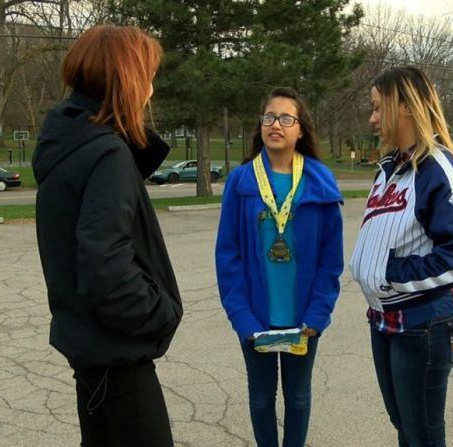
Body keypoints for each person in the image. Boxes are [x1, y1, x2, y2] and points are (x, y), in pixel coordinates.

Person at [32, 25, 182, 447]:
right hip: (119, 361)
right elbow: (105, 266)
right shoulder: (105, 154)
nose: (152, 88)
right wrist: (160, 313)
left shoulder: (72, 146)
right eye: (148, 75)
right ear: (128, 79)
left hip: (91, 352)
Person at [349, 66, 453, 446]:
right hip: (384, 320)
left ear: (405, 106)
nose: (372, 118)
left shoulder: (437, 167)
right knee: (406, 427)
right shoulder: (389, 169)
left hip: (423, 324)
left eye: (377, 108)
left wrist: (389, 273)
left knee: (422, 435)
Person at [215, 87, 344, 447]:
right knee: (260, 398)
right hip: (257, 319)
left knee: (298, 397)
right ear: (261, 126)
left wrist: (318, 315)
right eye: (270, 117)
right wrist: (242, 318)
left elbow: (330, 261)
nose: (277, 125)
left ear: (300, 129)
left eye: (287, 118)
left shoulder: (319, 181)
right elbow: (228, 257)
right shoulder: (241, 181)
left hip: (302, 320)